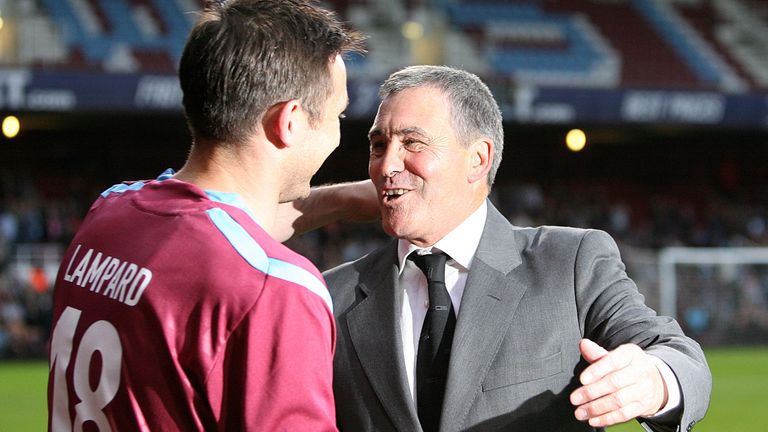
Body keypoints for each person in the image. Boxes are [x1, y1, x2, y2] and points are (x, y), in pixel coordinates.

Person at [324, 65, 712, 432]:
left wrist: (653, 380)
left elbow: (678, 357)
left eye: (412, 142)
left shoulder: (570, 263)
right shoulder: (330, 294)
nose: (386, 164)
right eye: (378, 145)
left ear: (478, 159)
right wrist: (320, 205)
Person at [47, 1, 366, 430]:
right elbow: (234, 261)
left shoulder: (110, 210)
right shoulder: (277, 287)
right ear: (290, 121)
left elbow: (204, 242)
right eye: (338, 115)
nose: (338, 129)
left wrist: (345, 201)